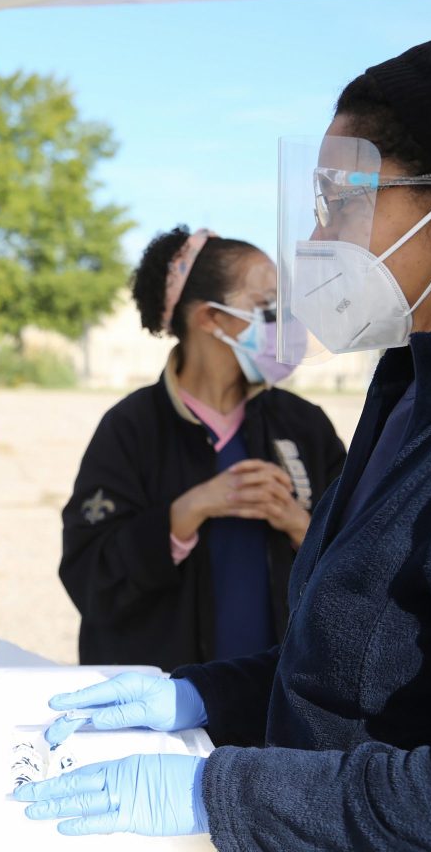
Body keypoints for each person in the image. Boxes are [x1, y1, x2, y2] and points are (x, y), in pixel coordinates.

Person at [16, 33, 431, 849]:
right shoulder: (410, 389)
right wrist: (201, 698)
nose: (319, 237)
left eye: (342, 200)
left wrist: (216, 790)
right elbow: (347, 673)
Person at [59, 228, 345, 670]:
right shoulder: (131, 429)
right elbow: (89, 577)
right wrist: (183, 514)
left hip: (276, 711)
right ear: (210, 318)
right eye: (267, 305)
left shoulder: (303, 424)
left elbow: (362, 561)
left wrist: (298, 525)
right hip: (164, 710)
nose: (287, 320)